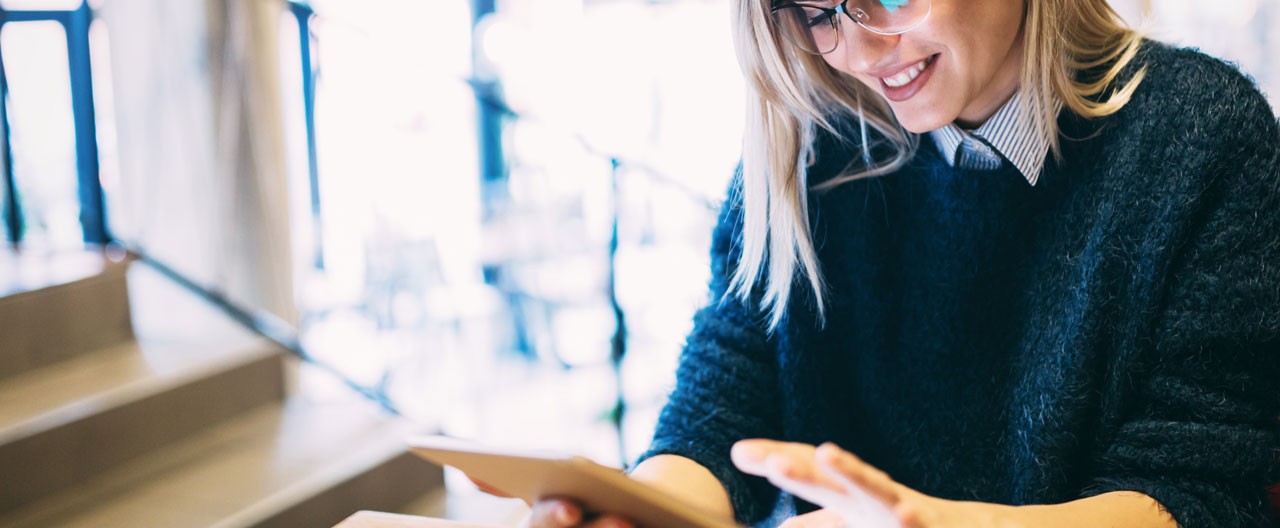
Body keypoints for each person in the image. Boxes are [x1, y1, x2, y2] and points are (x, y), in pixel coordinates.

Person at [510, 0, 1280, 526]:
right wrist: (639, 510)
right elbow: (723, 406)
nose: (861, 48)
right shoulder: (808, 146)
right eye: (819, 13)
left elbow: (1197, 491)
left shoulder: (1201, 138)